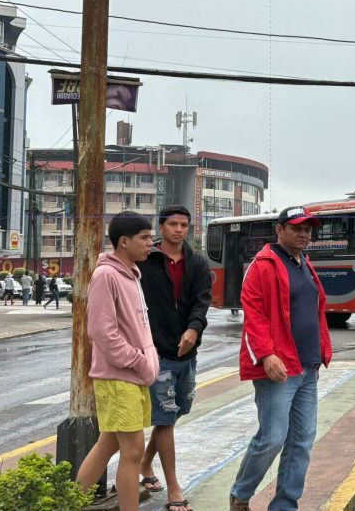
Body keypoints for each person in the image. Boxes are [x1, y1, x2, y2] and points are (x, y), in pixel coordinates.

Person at [230, 207, 334, 511]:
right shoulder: (263, 265)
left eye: (308, 230)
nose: (303, 235)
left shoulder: (303, 263)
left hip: (307, 367)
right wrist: (265, 355)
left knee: (301, 441)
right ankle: (241, 494)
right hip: (278, 368)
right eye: (296, 229)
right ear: (279, 230)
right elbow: (254, 314)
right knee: (273, 438)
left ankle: (285, 505)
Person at [75, 212, 159, 511]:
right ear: (124, 242)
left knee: (108, 444)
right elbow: (101, 331)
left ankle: (70, 502)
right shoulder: (106, 275)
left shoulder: (132, 273)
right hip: (118, 375)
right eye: (145, 238)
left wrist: (147, 360)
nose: (151, 243)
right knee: (133, 451)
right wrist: (138, 360)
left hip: (132, 375)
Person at [137, 206, 212, 511]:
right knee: (165, 419)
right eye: (173, 224)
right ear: (162, 226)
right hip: (157, 352)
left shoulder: (198, 263)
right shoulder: (146, 260)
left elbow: (202, 301)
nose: (179, 230)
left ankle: (145, 463)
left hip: (187, 351)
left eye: (184, 225)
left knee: (176, 412)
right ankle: (174, 490)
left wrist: (194, 329)